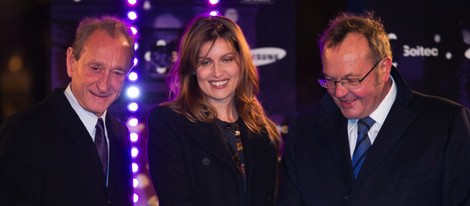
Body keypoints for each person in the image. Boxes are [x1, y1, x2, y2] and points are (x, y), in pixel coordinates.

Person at [277, 11, 470, 205]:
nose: (339, 92)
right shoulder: (304, 130)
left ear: (384, 68)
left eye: (351, 80)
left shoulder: (445, 125)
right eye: (330, 80)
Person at [147, 15, 281, 206]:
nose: (217, 72)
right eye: (206, 62)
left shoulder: (263, 130)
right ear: (193, 68)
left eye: (227, 59)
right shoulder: (169, 122)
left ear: (241, 63)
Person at [0, 16, 135, 205]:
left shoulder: (120, 134)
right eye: (95, 68)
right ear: (71, 61)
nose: (104, 85)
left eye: (117, 72)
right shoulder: (23, 130)